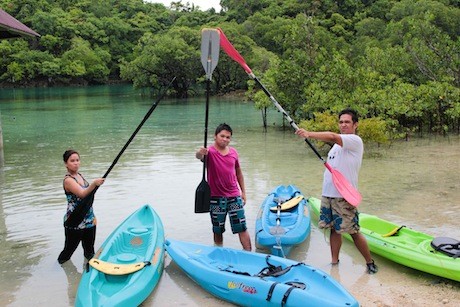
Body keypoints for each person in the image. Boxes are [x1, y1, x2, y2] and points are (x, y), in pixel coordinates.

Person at [295, 108, 378, 274]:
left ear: (355, 125)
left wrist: (309, 134)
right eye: (341, 122)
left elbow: (333, 136)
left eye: (347, 122)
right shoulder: (336, 148)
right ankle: (334, 262)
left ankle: (369, 263)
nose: (343, 125)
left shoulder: (355, 141)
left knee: (353, 231)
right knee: (333, 229)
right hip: (329, 194)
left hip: (344, 196)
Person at [195, 123, 252, 251]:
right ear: (215, 136)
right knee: (218, 230)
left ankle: (249, 254)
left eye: (228, 137)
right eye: (222, 136)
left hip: (234, 197)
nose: (225, 139)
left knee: (242, 228)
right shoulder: (209, 152)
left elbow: (239, 173)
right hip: (215, 198)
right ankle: (219, 253)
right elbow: (199, 157)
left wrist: (243, 192)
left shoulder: (233, 152)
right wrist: (200, 152)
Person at [58, 149, 105, 264]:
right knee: (68, 252)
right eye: (72, 161)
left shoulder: (80, 175)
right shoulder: (68, 180)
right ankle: (59, 271)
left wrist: (96, 185)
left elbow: (89, 194)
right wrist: (94, 183)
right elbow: (83, 194)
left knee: (89, 252)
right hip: (75, 221)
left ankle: (89, 272)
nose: (76, 163)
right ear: (66, 164)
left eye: (77, 160)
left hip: (89, 219)